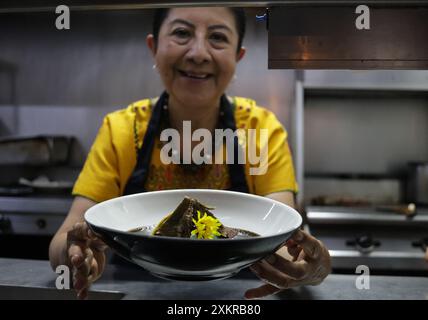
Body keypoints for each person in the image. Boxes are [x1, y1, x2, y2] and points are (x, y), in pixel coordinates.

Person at [49, 7, 331, 300]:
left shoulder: (261, 131)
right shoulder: (121, 130)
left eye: (218, 37)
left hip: (239, 298)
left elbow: (281, 232)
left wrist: (307, 265)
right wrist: (74, 257)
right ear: (153, 47)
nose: (198, 53)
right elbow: (67, 236)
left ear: (238, 56)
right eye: (182, 33)